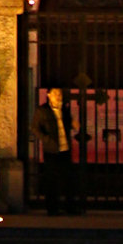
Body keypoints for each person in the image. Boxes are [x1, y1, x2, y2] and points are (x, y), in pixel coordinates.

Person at [34, 84, 83, 216]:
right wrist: (46, 139)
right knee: (51, 180)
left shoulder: (64, 110)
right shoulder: (42, 110)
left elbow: (71, 123)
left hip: (65, 149)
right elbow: (34, 128)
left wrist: (75, 124)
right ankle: (52, 208)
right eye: (55, 93)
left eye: (60, 93)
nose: (58, 96)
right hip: (51, 150)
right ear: (48, 95)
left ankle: (70, 207)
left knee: (68, 179)